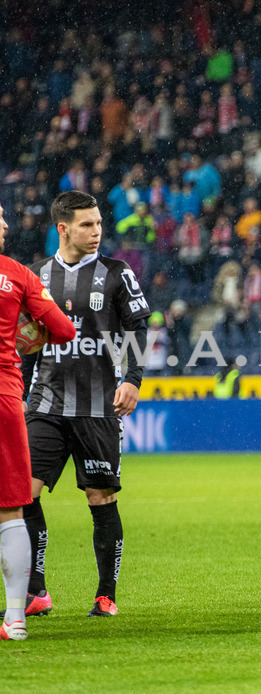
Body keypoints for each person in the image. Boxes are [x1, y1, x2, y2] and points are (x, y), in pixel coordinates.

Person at [20, 191, 152, 619]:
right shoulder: (35, 276)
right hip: (45, 403)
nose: (96, 232)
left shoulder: (117, 273)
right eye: (86, 225)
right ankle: (36, 588)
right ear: (63, 228)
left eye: (98, 224)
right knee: (24, 494)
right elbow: (22, 342)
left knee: (100, 497)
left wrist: (132, 379)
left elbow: (138, 328)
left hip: (99, 407)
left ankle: (105, 594)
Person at [0, 202, 76, 640]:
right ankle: (15, 618)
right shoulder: (18, 274)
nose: (7, 224)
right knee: (10, 511)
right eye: (0, 218)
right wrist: (30, 330)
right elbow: (64, 330)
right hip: (5, 397)